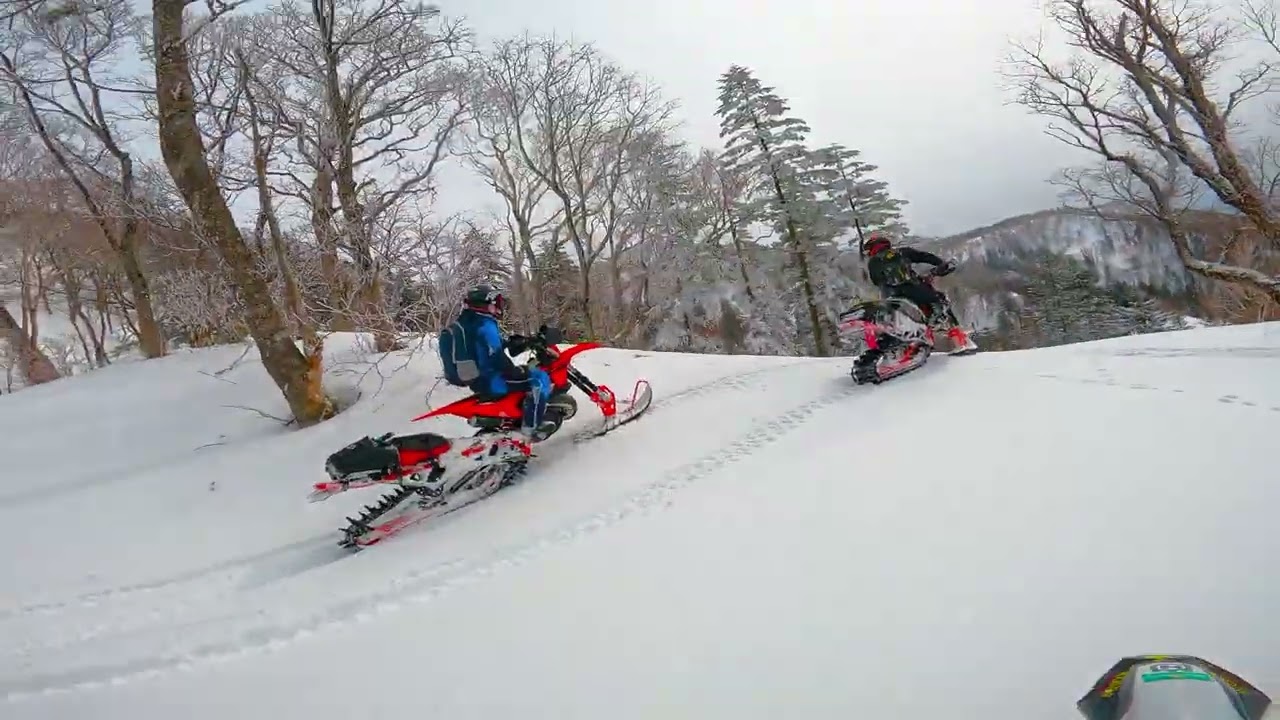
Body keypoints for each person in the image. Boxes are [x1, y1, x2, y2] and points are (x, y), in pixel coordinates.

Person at [439, 284, 557, 441]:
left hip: (480, 378)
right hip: (492, 378)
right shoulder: (485, 325)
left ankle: (518, 416)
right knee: (538, 379)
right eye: (496, 302)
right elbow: (495, 355)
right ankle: (531, 428)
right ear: (487, 304)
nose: (499, 306)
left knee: (527, 375)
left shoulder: (468, 321)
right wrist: (515, 371)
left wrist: (519, 342)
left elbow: (485, 345)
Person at [864, 232, 977, 352]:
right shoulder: (901, 252)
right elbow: (924, 256)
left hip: (890, 296)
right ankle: (959, 341)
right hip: (912, 288)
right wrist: (941, 263)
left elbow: (876, 281)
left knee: (892, 317)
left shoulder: (872, 263)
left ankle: (907, 341)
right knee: (940, 301)